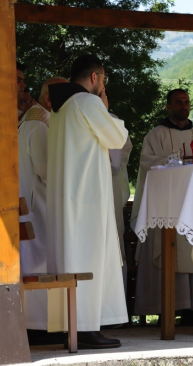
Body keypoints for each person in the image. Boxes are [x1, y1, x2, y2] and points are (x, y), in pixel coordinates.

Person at [46, 54, 129, 348]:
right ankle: (86, 327)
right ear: (95, 77)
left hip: (67, 196)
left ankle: (73, 325)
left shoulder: (59, 108)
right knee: (88, 257)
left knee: (73, 257)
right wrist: (106, 110)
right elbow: (117, 138)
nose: (102, 85)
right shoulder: (88, 102)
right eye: (103, 79)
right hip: (85, 199)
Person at [130, 89, 193, 321]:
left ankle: (191, 310)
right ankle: (165, 308)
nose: (183, 106)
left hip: (190, 205)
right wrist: (174, 162)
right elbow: (147, 167)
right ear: (168, 106)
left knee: (192, 253)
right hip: (164, 207)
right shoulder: (155, 135)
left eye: (186, 102)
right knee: (167, 252)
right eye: (178, 102)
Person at [18, 77, 68, 334]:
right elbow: (45, 169)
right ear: (50, 99)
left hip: (36, 205)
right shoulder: (39, 124)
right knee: (40, 263)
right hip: (39, 208)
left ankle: (40, 324)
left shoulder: (34, 120)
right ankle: (38, 326)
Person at [109, 108, 133, 294]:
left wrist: (109, 163)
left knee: (114, 245)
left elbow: (119, 159)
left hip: (110, 189)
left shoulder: (112, 120)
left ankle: (117, 303)